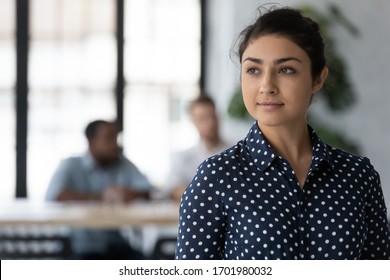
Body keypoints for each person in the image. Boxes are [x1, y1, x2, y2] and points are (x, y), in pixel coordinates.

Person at [175, 6, 390, 260]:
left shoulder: (358, 177)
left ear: (317, 79)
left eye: (286, 69)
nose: (267, 86)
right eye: (253, 70)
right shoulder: (216, 178)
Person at [46, 120, 154, 259]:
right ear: (91, 142)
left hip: (116, 245)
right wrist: (100, 197)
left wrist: (132, 193)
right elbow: (54, 195)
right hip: (79, 247)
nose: (116, 144)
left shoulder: (123, 163)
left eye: (116, 138)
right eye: (109, 138)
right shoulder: (71, 165)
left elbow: (148, 191)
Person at [165, 95, 231, 201]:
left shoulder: (236, 153)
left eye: (212, 116)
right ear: (193, 122)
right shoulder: (183, 157)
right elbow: (172, 188)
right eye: (202, 119)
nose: (210, 123)